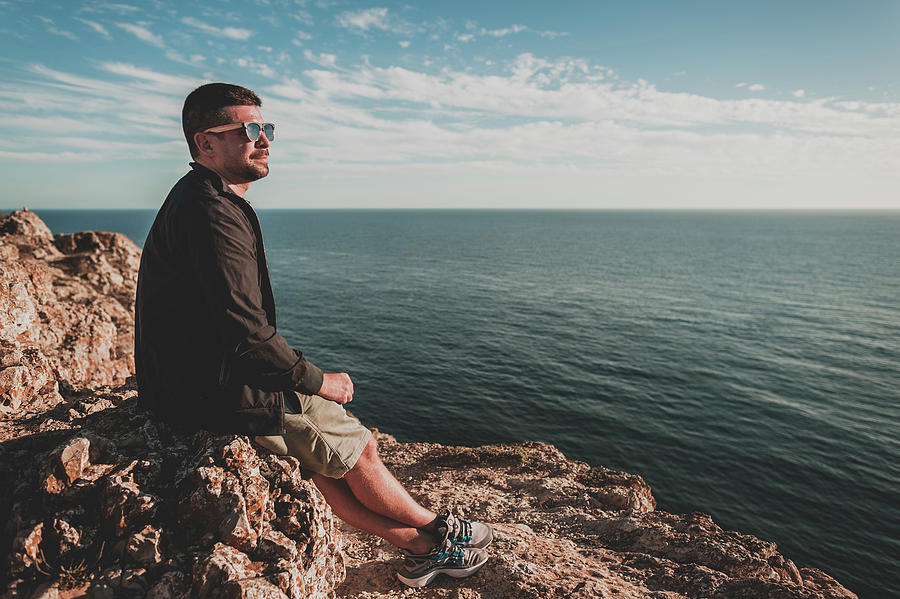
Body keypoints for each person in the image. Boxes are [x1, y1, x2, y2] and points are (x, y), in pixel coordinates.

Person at [134, 83, 492, 588]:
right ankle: (441, 533)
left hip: (183, 386)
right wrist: (321, 381)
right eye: (247, 130)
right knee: (359, 447)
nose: (263, 140)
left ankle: (421, 547)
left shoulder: (198, 196)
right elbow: (248, 338)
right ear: (205, 144)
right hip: (218, 391)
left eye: (266, 129)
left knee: (324, 464)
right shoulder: (213, 214)